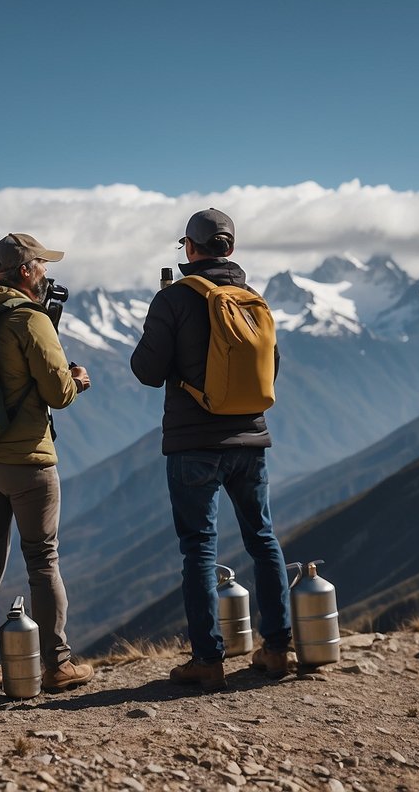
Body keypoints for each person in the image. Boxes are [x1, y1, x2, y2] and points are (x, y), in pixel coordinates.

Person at [130, 208, 292, 691]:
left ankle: (207, 659)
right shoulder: (252, 299)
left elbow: (146, 370)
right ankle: (279, 648)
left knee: (199, 547)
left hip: (193, 444)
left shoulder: (175, 299)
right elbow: (271, 371)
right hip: (251, 439)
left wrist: (158, 318)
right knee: (262, 537)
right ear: (231, 248)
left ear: (191, 248)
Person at [0, 232, 95, 694]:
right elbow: (58, 393)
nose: (46, 273)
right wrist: (78, 379)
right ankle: (58, 664)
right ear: (24, 272)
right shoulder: (30, 321)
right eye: (41, 265)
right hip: (27, 463)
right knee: (42, 561)